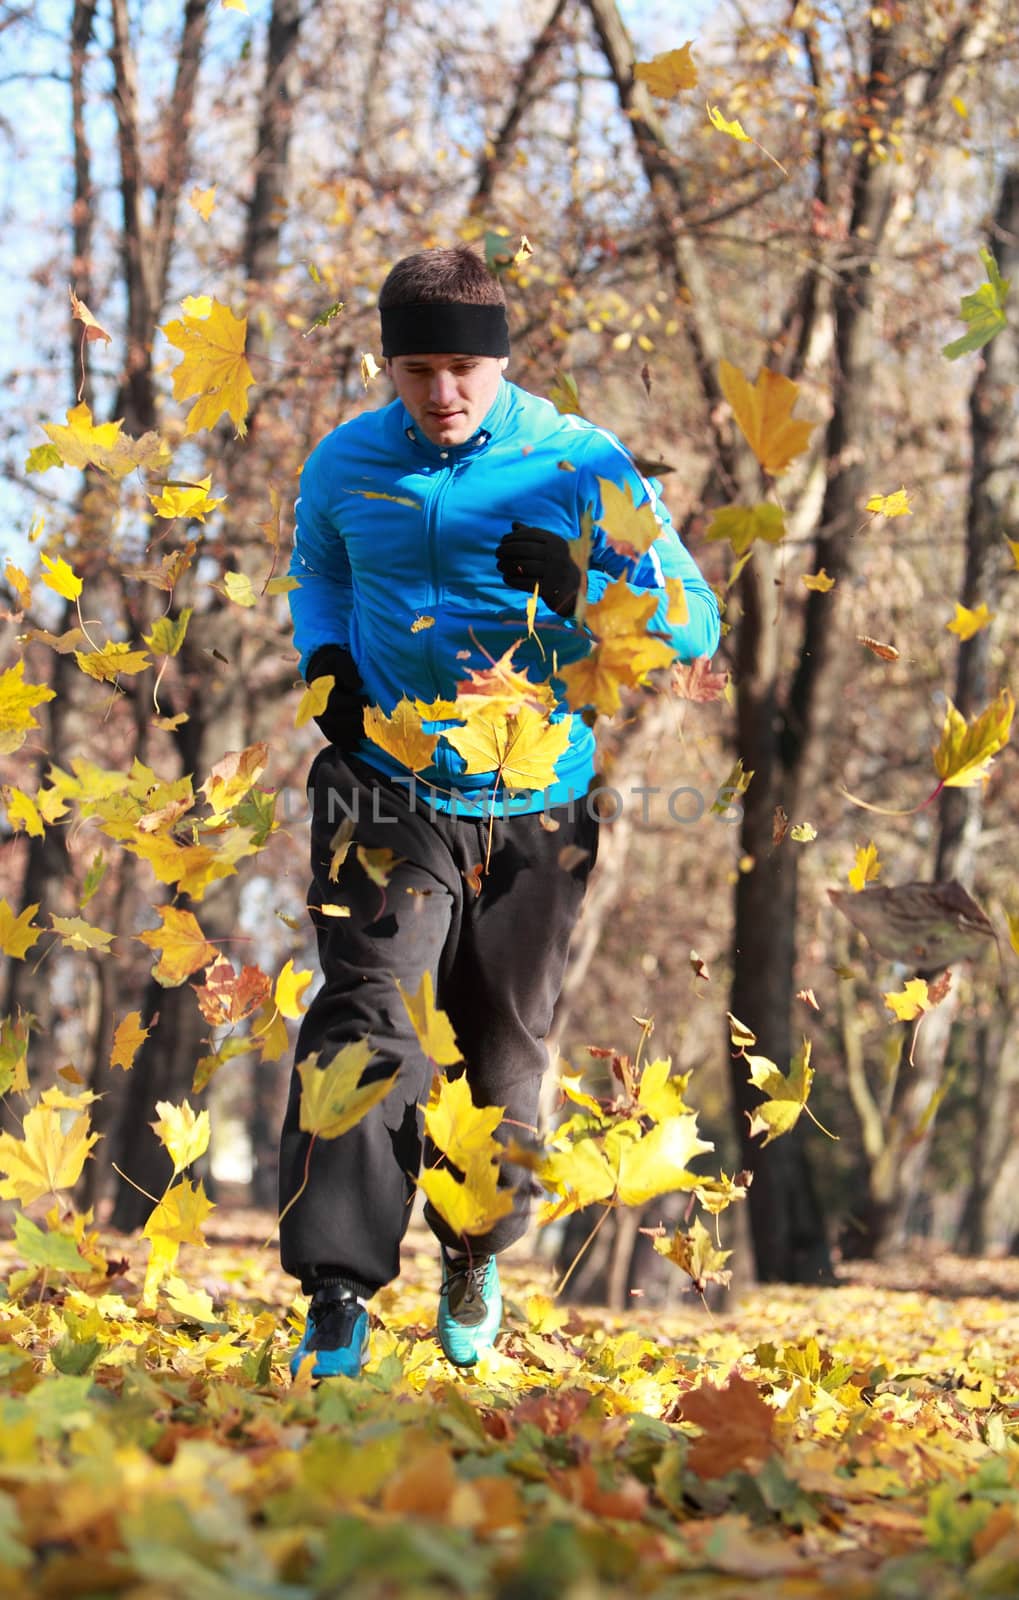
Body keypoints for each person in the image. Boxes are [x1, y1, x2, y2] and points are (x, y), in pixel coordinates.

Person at [279, 244, 720, 1379]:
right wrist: (323, 655)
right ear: (387, 363)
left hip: (536, 797)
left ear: (502, 360)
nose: (441, 393)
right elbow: (317, 569)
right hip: (386, 779)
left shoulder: (575, 462)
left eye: (463, 368)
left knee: (499, 1046)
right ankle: (336, 1283)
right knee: (368, 1010)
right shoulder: (342, 464)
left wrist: (586, 583)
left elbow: (694, 622)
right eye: (416, 367)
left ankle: (473, 1249)